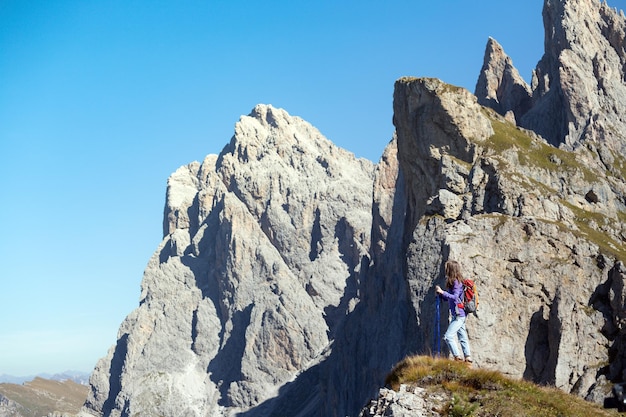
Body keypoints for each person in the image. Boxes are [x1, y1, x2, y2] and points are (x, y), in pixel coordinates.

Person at [435, 260, 472, 363]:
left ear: (450, 270)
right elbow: (451, 298)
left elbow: (455, 297)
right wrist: (442, 294)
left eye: (447, 268)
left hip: (458, 314)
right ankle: (468, 357)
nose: (445, 270)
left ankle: (457, 357)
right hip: (459, 313)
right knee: (462, 335)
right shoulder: (455, 282)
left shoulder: (456, 282)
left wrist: (442, 292)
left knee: (448, 336)